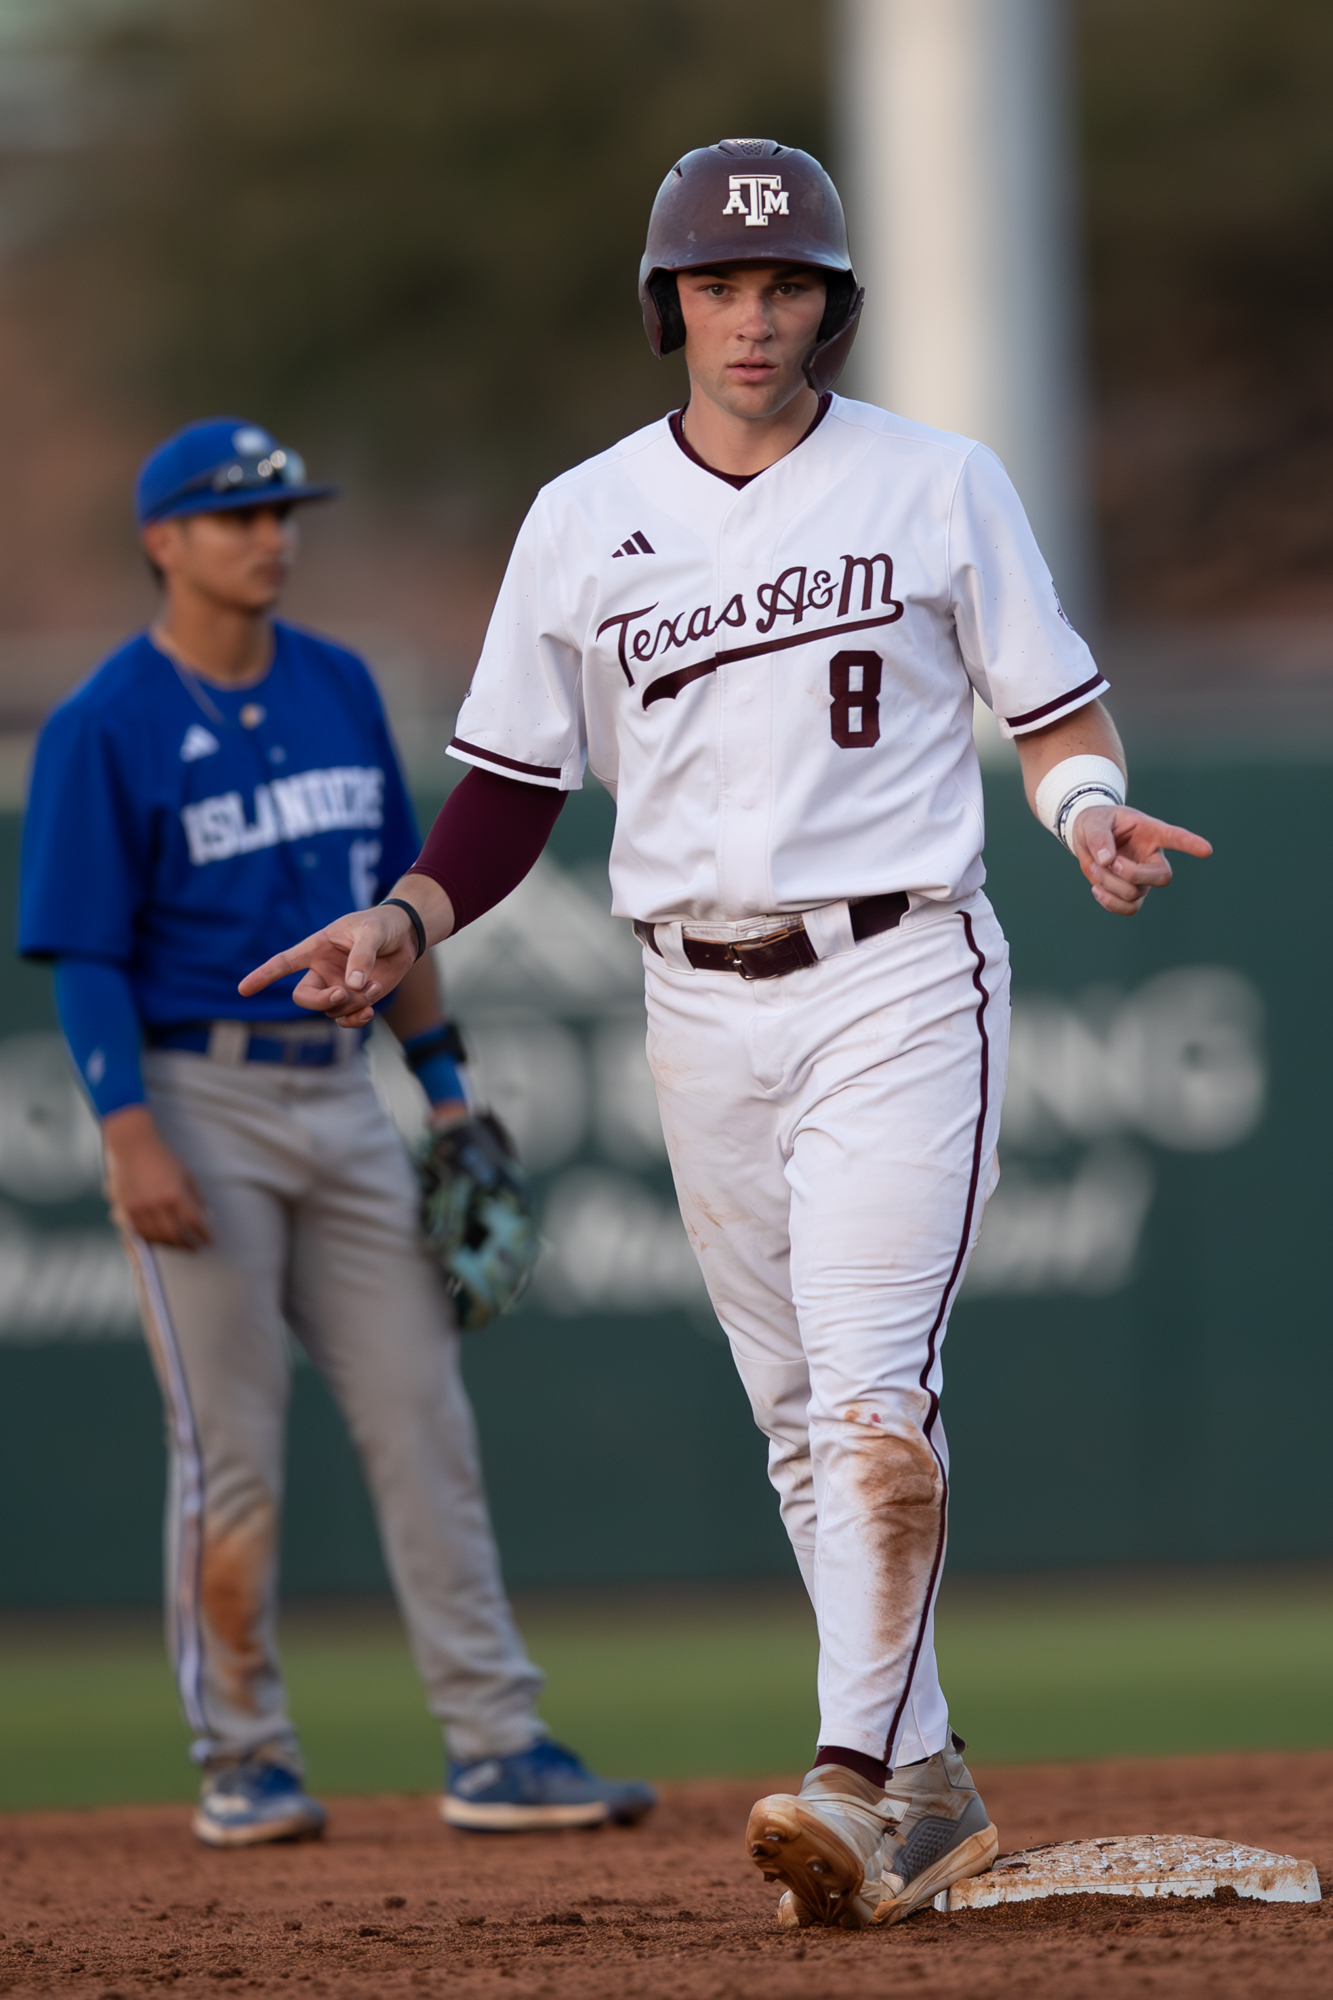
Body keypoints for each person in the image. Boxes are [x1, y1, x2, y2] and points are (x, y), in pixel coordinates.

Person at [240, 139, 1210, 1924]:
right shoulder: (581, 515)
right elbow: (508, 795)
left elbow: (1054, 714)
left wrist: (1086, 817)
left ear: (831, 303)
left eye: (784, 286)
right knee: (791, 1416)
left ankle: (844, 1782)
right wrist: (399, 919)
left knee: (869, 1393)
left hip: (900, 970)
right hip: (691, 990)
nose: (751, 315)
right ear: (667, 303)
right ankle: (923, 1780)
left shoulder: (937, 481)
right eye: (717, 284)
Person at [18, 417, 654, 1847]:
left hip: (339, 1091)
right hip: (194, 1095)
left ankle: (495, 1744)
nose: (272, 535)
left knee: (425, 1418)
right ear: (163, 540)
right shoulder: (104, 721)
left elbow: (392, 904)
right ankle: (241, 1756)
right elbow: (85, 954)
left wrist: (446, 1087)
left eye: (284, 512)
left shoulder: (337, 687)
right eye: (239, 516)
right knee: (229, 1446)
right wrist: (128, 1130)